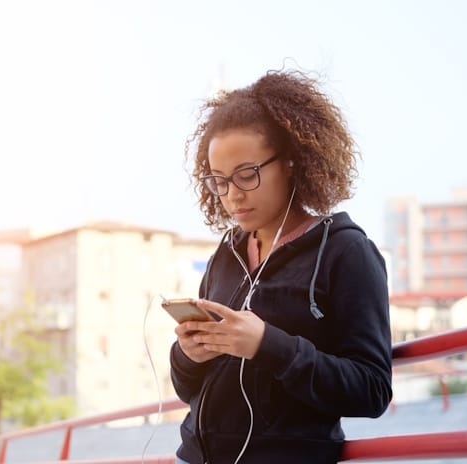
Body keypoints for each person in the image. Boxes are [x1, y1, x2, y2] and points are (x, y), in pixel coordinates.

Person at [169, 69, 393, 464]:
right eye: (218, 181)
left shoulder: (347, 252)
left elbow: (372, 389)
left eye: (247, 175)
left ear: (290, 162)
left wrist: (267, 346)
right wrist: (189, 354)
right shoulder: (226, 255)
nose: (232, 195)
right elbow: (188, 389)